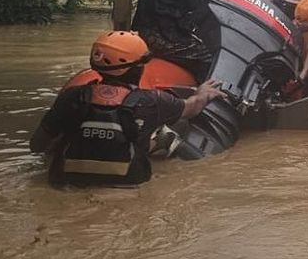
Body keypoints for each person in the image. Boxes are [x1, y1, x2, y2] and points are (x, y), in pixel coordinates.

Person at [29, 31, 225, 187]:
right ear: (137, 68)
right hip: (128, 184)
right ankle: (161, 140)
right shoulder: (153, 101)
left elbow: (37, 145)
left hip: (66, 183)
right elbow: (191, 109)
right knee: (165, 127)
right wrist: (202, 93)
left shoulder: (70, 96)